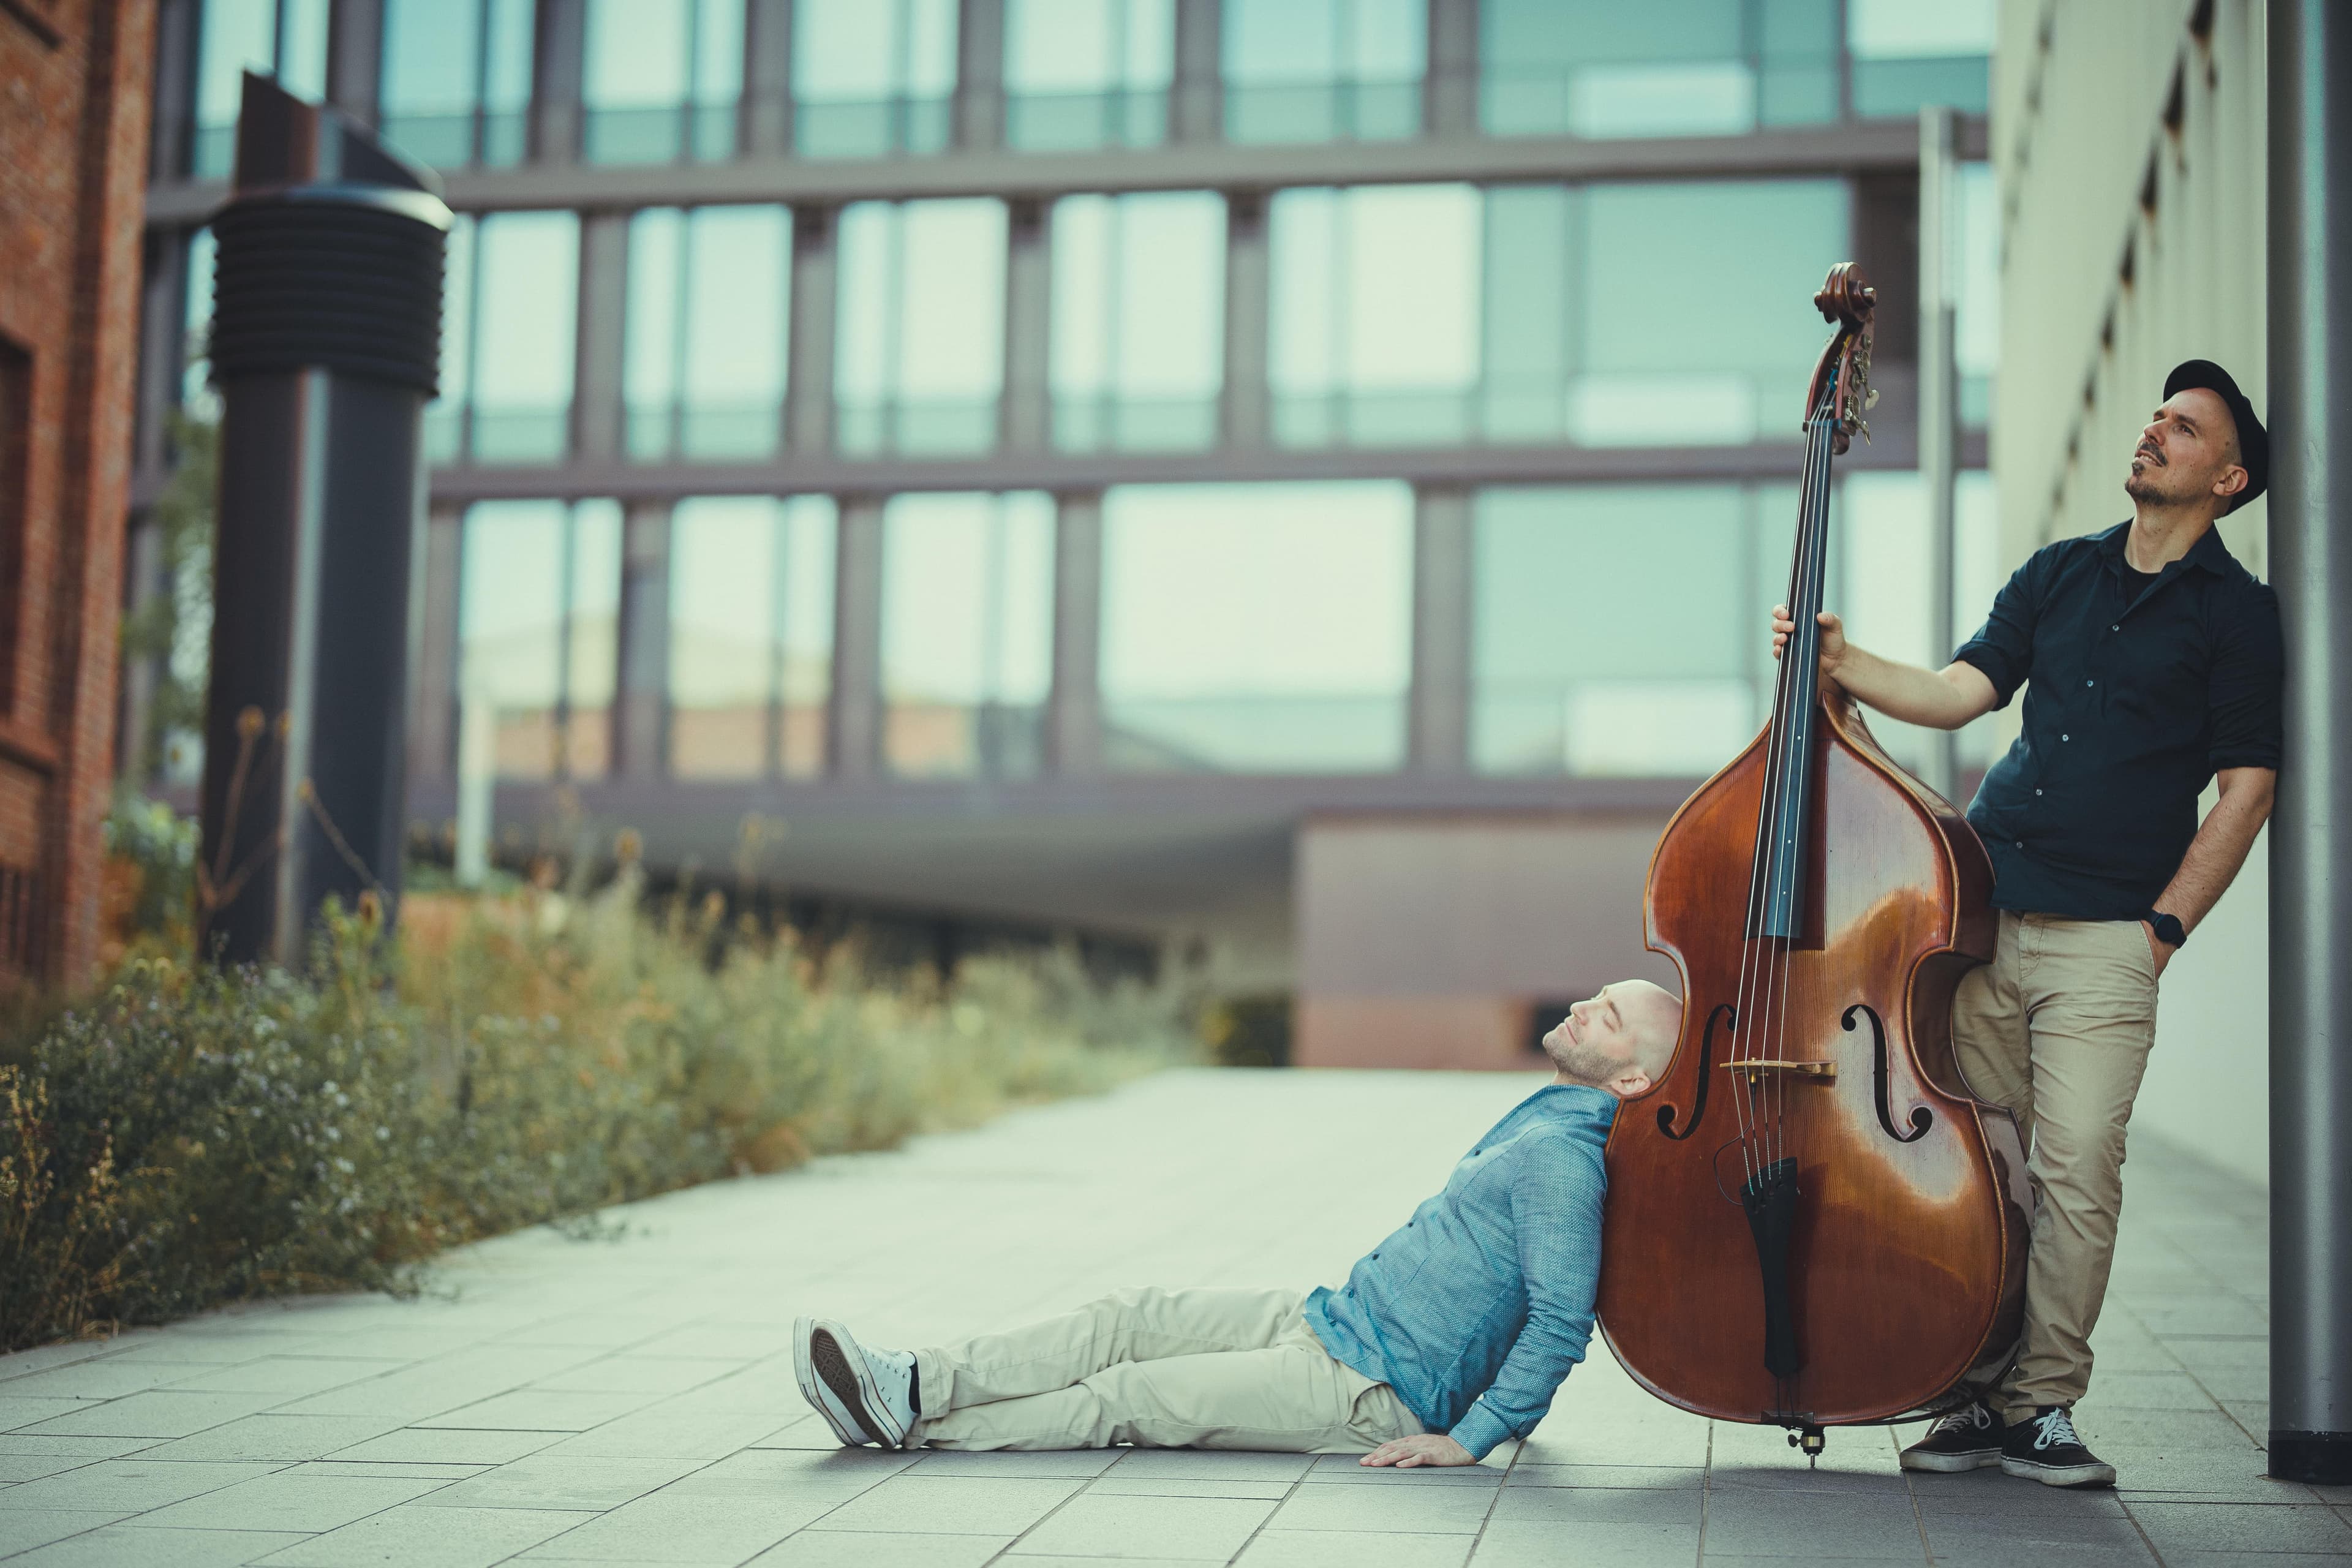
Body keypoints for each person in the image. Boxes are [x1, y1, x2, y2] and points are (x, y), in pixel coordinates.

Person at [1770, 360, 2283, 1488]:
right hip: (1984, 919)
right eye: (2157, 415)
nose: (2156, 430)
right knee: (1981, 1168)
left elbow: (2246, 787)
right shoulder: (2058, 575)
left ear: (2229, 477)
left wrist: (2164, 928)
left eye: (2184, 427)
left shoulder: (2239, 618)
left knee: (2078, 1169)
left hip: (2110, 940)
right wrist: (1840, 661)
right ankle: (1972, 1393)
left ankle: (2043, 1402)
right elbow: (1961, 691)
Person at [791, 981, 1682, 1468]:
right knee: (1126, 1318)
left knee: (1131, 1398)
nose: (1580, 1008)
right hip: (1332, 1320)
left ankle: (909, 1427)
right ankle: (914, 1380)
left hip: (1370, 1390)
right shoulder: (1548, 1120)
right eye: (1596, 996)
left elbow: (1564, 1320)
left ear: (1633, 1081)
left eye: (1607, 1019)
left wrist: (1473, 1436)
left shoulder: (1566, 1161)